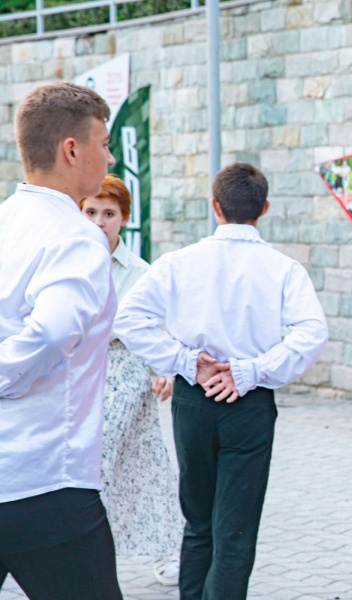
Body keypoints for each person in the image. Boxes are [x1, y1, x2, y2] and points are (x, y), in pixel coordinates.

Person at [114, 163, 328, 600]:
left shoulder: (178, 263)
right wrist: (253, 370)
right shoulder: (283, 268)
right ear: (264, 208)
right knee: (235, 530)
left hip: (193, 399)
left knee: (198, 522)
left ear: (214, 206)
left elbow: (128, 318)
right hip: (249, 403)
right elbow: (312, 333)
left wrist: (185, 362)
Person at [0, 83, 122, 598]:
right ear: (72, 149)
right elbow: (51, 333)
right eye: (104, 143)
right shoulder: (75, 236)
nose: (110, 157)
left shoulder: (6, 220)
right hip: (44, 480)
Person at [80, 174, 183, 586]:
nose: (98, 222)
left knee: (137, 462)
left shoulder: (141, 272)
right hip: (75, 373)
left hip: (124, 372)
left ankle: (165, 548)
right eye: (90, 212)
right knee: (94, 466)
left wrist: (166, 371)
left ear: (123, 218)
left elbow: (161, 329)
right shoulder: (62, 262)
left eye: (108, 213)